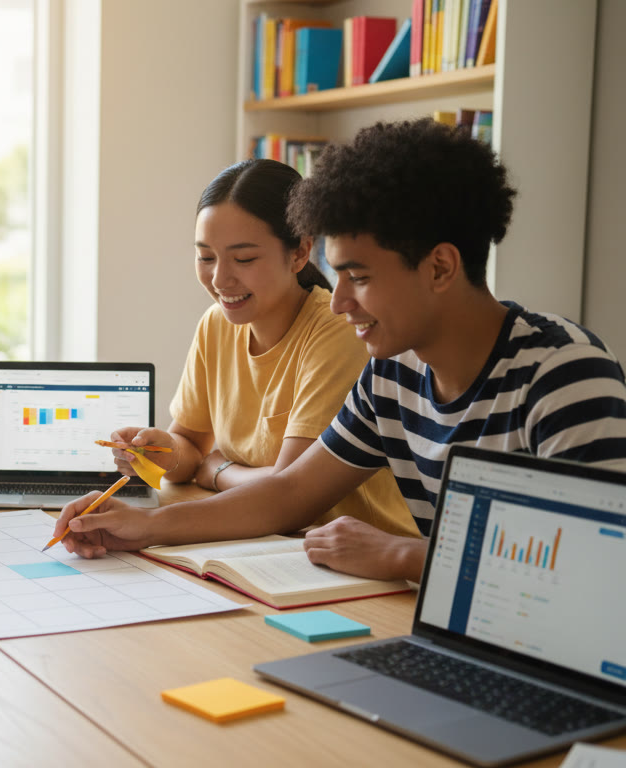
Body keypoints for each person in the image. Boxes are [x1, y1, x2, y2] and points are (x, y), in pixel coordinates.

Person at [53, 119, 626, 582]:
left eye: (357, 276)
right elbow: (288, 494)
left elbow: (592, 571)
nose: (338, 301)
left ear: (440, 267)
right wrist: (141, 526)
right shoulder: (391, 378)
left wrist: (402, 556)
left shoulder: (564, 376)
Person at [103, 159, 416, 539]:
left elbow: (289, 489)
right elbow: (191, 450)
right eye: (205, 257)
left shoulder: (336, 330)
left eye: (244, 259)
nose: (219, 279)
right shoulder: (216, 324)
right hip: (266, 539)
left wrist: (217, 471)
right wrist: (163, 451)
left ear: (300, 252)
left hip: (350, 549)